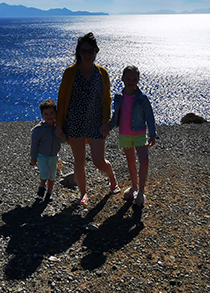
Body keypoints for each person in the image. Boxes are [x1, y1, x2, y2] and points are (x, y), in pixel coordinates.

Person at [56, 32, 120, 205]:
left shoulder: (102, 73)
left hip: (96, 123)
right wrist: (59, 124)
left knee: (99, 161)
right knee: (79, 160)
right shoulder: (70, 73)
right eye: (84, 50)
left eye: (90, 50)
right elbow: (62, 99)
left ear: (95, 51)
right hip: (74, 122)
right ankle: (83, 193)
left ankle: (112, 179)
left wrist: (106, 122)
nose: (87, 53)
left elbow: (107, 99)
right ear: (78, 51)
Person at [109, 65, 156, 207]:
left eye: (134, 79)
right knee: (130, 161)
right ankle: (134, 187)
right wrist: (106, 129)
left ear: (138, 80)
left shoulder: (142, 98)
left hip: (140, 133)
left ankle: (141, 191)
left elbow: (150, 117)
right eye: (128, 78)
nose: (131, 81)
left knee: (144, 161)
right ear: (122, 79)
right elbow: (115, 117)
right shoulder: (118, 97)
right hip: (124, 134)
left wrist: (152, 135)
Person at [30, 99, 66, 202]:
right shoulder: (39, 129)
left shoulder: (58, 128)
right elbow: (34, 145)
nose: (49, 116)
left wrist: (61, 134)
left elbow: (64, 140)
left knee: (52, 176)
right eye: (46, 114)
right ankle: (42, 186)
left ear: (56, 114)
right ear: (42, 115)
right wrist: (33, 158)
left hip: (54, 156)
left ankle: (49, 193)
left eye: (51, 113)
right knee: (45, 173)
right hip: (42, 156)